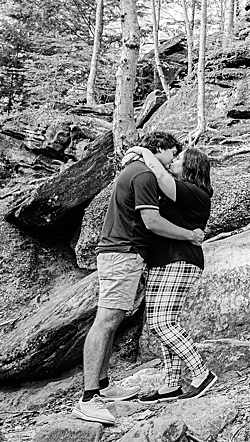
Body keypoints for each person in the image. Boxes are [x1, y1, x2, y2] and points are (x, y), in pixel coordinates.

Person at [76, 131, 204, 426]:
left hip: (122, 253)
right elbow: (152, 221)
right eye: (173, 152)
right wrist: (190, 235)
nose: (174, 158)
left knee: (112, 321)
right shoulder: (144, 175)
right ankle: (88, 399)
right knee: (106, 321)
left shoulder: (135, 170)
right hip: (122, 253)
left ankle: (104, 386)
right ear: (159, 149)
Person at [123, 145, 219, 402]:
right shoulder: (181, 193)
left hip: (179, 260)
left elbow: (163, 179)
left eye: (178, 159)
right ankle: (171, 384)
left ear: (190, 166)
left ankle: (201, 373)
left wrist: (144, 152)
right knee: (162, 322)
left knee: (161, 322)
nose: (173, 161)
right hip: (163, 261)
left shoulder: (195, 192)